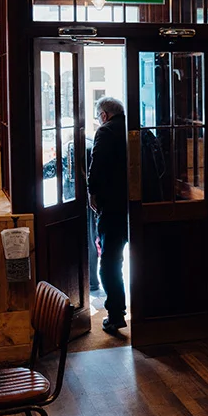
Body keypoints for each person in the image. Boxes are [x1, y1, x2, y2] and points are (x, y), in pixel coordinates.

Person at [88, 96, 129, 334]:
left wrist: (92, 193)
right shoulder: (139, 129)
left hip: (113, 207)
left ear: (104, 115)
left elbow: (97, 165)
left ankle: (116, 314)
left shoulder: (105, 132)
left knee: (110, 263)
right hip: (138, 205)